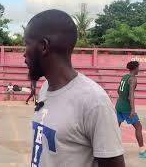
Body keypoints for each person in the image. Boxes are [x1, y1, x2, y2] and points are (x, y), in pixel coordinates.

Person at [24, 9, 125, 167]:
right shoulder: (45, 88)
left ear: (43, 46)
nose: (24, 54)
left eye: (26, 45)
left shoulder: (94, 102)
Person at [116, 61, 146, 158]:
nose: (139, 69)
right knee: (138, 127)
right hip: (126, 108)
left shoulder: (124, 77)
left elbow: (118, 90)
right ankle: (142, 151)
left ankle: (110, 148)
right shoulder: (133, 79)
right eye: (138, 67)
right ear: (135, 68)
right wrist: (132, 110)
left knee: (115, 128)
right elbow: (131, 96)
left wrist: (122, 100)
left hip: (118, 106)